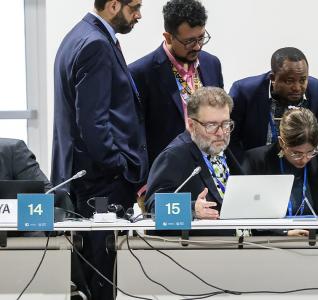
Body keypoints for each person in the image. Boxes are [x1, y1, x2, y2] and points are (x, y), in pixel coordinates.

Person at [51, 0, 144, 297]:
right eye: (135, 7)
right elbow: (92, 121)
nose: (139, 15)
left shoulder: (78, 35)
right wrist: (118, 165)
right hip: (100, 182)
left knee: (91, 274)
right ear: (114, 5)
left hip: (84, 177)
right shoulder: (96, 44)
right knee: (101, 277)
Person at [130, 0, 223, 166]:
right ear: (168, 37)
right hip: (167, 172)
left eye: (201, 38)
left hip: (212, 168)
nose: (197, 47)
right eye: (189, 41)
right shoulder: (141, 73)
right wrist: (143, 184)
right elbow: (134, 135)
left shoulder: (212, 64)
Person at [146, 87, 243, 221]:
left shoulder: (222, 147)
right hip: (202, 240)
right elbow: (153, 207)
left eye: (226, 124)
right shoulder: (174, 156)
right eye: (211, 125)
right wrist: (191, 209)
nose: (221, 133)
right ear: (192, 125)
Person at [241, 108, 318, 237]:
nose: (304, 159)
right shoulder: (256, 161)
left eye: (310, 152)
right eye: (296, 153)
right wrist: (283, 233)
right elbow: (250, 213)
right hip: (272, 244)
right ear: (282, 142)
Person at [229, 47, 318, 159]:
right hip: (256, 165)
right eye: (289, 81)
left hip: (300, 163)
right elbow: (231, 138)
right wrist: (244, 167)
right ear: (273, 78)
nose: (297, 87)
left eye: (302, 80)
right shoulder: (244, 92)